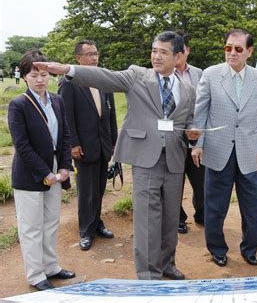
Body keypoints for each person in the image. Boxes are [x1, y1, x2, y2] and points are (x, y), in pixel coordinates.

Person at [33, 31, 198, 281]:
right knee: (147, 220)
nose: (156, 56)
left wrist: (192, 134)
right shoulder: (136, 76)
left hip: (175, 159)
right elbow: (104, 77)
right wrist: (67, 69)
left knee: (170, 216)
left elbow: (186, 122)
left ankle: (168, 265)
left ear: (178, 56)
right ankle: (148, 275)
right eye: (154, 50)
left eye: (163, 52)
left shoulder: (187, 88)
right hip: (145, 159)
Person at [191, 29, 257, 267]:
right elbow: (200, 112)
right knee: (215, 206)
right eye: (228, 48)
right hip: (217, 150)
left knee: (252, 205)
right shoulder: (211, 74)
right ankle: (217, 249)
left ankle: (250, 249)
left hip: (249, 152)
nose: (232, 53)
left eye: (238, 49)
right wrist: (198, 144)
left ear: (249, 51)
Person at [8, 50, 75, 291]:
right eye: (34, 75)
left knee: (51, 222)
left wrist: (66, 165)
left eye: (44, 74)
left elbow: (65, 134)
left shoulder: (57, 100)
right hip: (30, 173)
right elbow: (22, 145)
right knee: (31, 227)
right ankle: (36, 275)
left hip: (56, 168)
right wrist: (45, 173)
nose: (40, 79)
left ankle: (51, 266)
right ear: (24, 77)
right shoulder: (18, 105)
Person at [58, 40, 118, 250]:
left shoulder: (103, 79)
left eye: (96, 53)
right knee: (86, 191)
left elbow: (110, 114)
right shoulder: (69, 82)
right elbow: (66, 117)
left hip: (103, 144)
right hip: (83, 146)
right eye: (89, 54)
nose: (94, 57)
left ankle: (97, 223)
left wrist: (114, 140)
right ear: (78, 59)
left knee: (100, 188)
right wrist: (73, 144)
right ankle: (85, 230)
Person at [174, 32, 204, 234]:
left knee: (201, 179)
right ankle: (178, 218)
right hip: (174, 137)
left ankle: (202, 213)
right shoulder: (162, 74)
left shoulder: (199, 73)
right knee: (175, 182)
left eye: (181, 51)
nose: (177, 55)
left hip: (196, 135)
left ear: (188, 50)